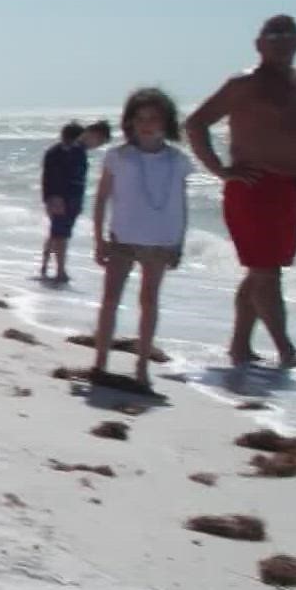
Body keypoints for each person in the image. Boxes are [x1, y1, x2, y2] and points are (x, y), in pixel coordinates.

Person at [185, 14, 296, 369]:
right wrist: (220, 171)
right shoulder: (243, 84)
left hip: (290, 188)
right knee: (266, 272)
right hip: (252, 188)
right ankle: (286, 351)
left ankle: (240, 347)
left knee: (262, 271)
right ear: (259, 44)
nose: (281, 40)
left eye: (288, 34)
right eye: (273, 34)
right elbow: (196, 124)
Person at [92, 89, 191, 389]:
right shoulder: (119, 156)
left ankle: (142, 367)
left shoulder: (177, 160)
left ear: (166, 122)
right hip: (122, 237)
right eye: (141, 118)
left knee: (149, 301)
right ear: (131, 122)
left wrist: (179, 243)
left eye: (154, 118)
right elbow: (101, 199)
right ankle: (100, 362)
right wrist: (98, 238)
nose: (147, 124)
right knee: (110, 300)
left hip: (161, 241)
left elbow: (180, 203)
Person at [40, 120, 108, 283]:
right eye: (98, 141)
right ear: (91, 134)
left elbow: (49, 177)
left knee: (56, 234)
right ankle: (60, 271)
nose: (97, 145)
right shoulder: (69, 151)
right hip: (64, 199)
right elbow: (56, 176)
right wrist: (55, 197)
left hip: (67, 198)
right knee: (60, 235)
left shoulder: (72, 151)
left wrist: (49, 197)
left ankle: (46, 266)